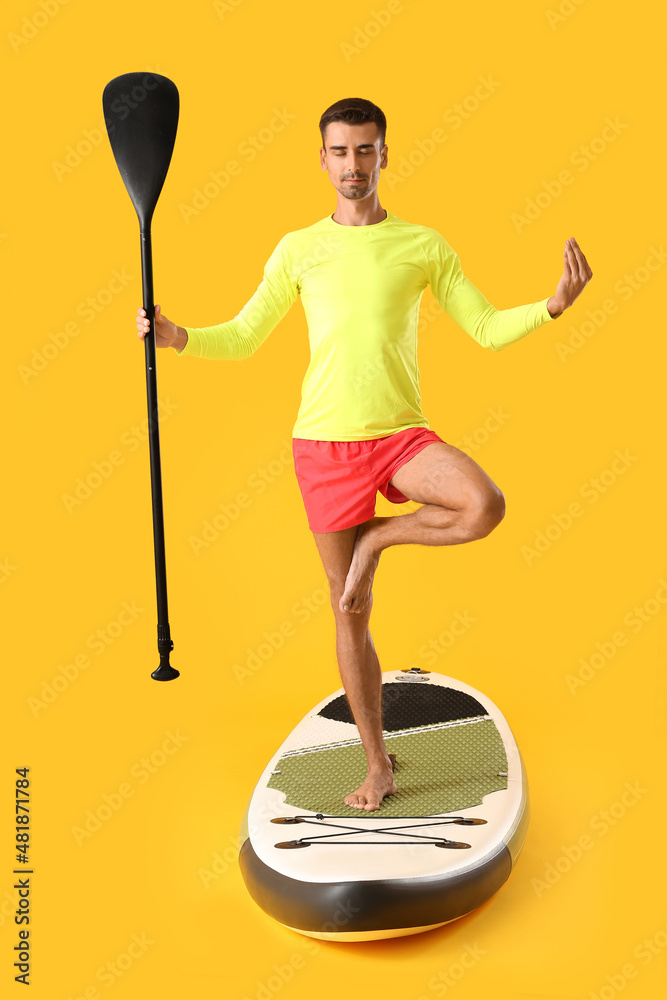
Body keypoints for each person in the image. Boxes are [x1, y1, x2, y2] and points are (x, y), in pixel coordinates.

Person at [136, 97, 592, 812]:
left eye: (365, 150)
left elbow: (484, 327)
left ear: (385, 154)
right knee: (348, 610)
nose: (353, 165)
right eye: (340, 152)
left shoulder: (422, 245)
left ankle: (378, 538)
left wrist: (551, 305)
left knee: (483, 505)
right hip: (323, 447)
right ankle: (377, 765)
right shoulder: (298, 248)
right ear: (322, 160)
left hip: (399, 437)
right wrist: (178, 336)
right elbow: (247, 334)